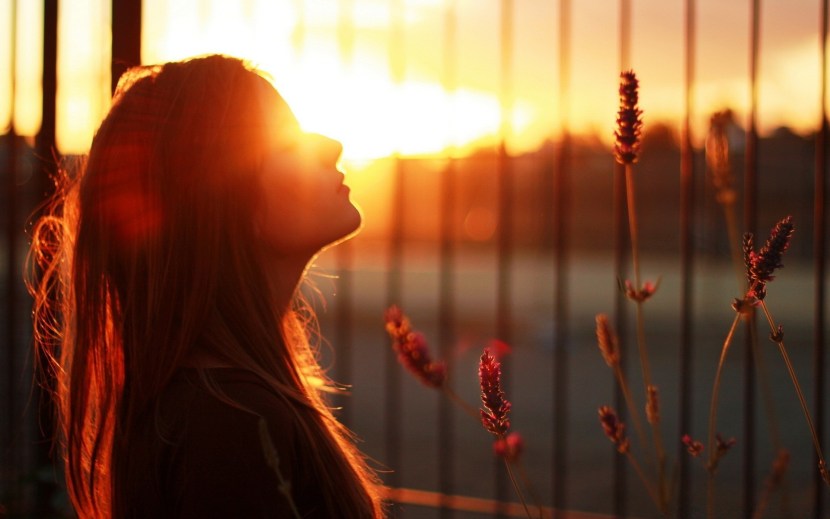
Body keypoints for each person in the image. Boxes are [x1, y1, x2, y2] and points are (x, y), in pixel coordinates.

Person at [28, 54, 386, 518]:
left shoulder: (214, 403)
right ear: (225, 203)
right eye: (286, 144)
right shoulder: (232, 424)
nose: (331, 145)